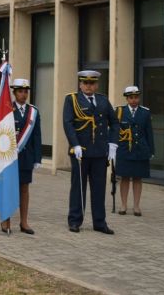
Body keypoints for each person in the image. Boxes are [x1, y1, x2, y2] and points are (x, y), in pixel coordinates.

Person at [63, 70, 119, 234]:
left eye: (92, 83)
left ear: (96, 85)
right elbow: (68, 123)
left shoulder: (102, 100)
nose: (89, 86)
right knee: (78, 188)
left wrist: (113, 144)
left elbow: (114, 123)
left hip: (100, 152)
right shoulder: (72, 99)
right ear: (80, 84)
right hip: (81, 151)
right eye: (85, 83)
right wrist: (75, 144)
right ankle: (74, 220)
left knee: (99, 188)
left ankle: (99, 222)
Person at [1, 78, 41, 234]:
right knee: (9, 189)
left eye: (26, 91)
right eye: (20, 91)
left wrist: (37, 158)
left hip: (26, 157)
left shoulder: (33, 111)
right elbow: (0, 133)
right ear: (14, 93)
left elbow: (37, 136)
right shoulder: (7, 109)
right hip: (9, 156)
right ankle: (6, 220)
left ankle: (24, 222)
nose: (23, 95)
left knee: (24, 189)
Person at [115, 86, 154, 217]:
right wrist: (112, 147)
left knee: (138, 178)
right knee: (124, 178)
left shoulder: (145, 112)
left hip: (140, 150)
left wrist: (151, 150)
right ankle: (123, 205)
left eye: (136, 97)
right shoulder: (120, 111)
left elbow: (149, 133)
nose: (133, 100)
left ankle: (136, 206)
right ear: (127, 98)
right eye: (131, 98)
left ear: (139, 98)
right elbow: (114, 131)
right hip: (124, 149)